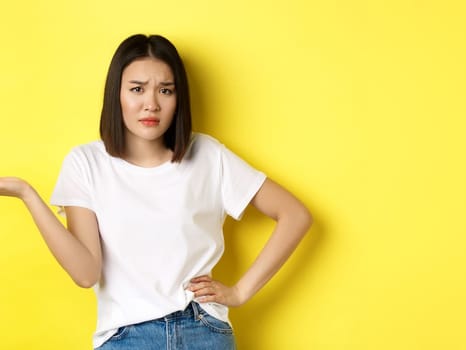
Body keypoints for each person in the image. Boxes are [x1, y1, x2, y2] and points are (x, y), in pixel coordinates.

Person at [0, 34, 312, 349]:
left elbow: (295, 215)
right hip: (125, 337)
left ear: (179, 98)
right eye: (137, 89)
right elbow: (86, 273)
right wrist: (26, 193)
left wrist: (240, 292)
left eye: (165, 90)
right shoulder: (87, 163)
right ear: (116, 94)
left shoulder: (207, 155)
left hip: (202, 330)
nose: (151, 103)